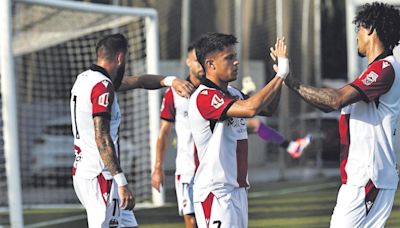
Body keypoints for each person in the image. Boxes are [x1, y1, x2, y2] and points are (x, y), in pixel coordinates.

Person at [280, 2, 400, 227]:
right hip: (366, 176)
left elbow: (334, 100)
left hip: (368, 176)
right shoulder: (376, 69)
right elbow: (329, 104)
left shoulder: (384, 68)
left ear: (370, 29)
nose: (357, 36)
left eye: (359, 29)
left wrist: (290, 81)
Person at [70, 33, 194, 228]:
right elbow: (101, 138)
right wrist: (121, 182)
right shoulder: (102, 86)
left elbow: (139, 81)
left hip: (85, 171)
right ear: (120, 57)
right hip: (101, 175)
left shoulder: (85, 79)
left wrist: (171, 81)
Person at [188, 32, 289, 227]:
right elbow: (251, 109)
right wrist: (280, 74)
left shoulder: (232, 93)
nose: (236, 62)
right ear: (210, 64)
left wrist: (279, 77)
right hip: (216, 192)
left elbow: (267, 108)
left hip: (237, 190)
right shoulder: (204, 96)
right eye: (229, 58)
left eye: (235, 56)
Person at [151, 42, 204, 228]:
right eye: (197, 60)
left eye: (204, 60)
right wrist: (158, 167)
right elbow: (164, 132)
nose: (201, 65)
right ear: (188, 61)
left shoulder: (214, 93)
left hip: (212, 170)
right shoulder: (174, 93)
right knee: (191, 221)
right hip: (187, 169)